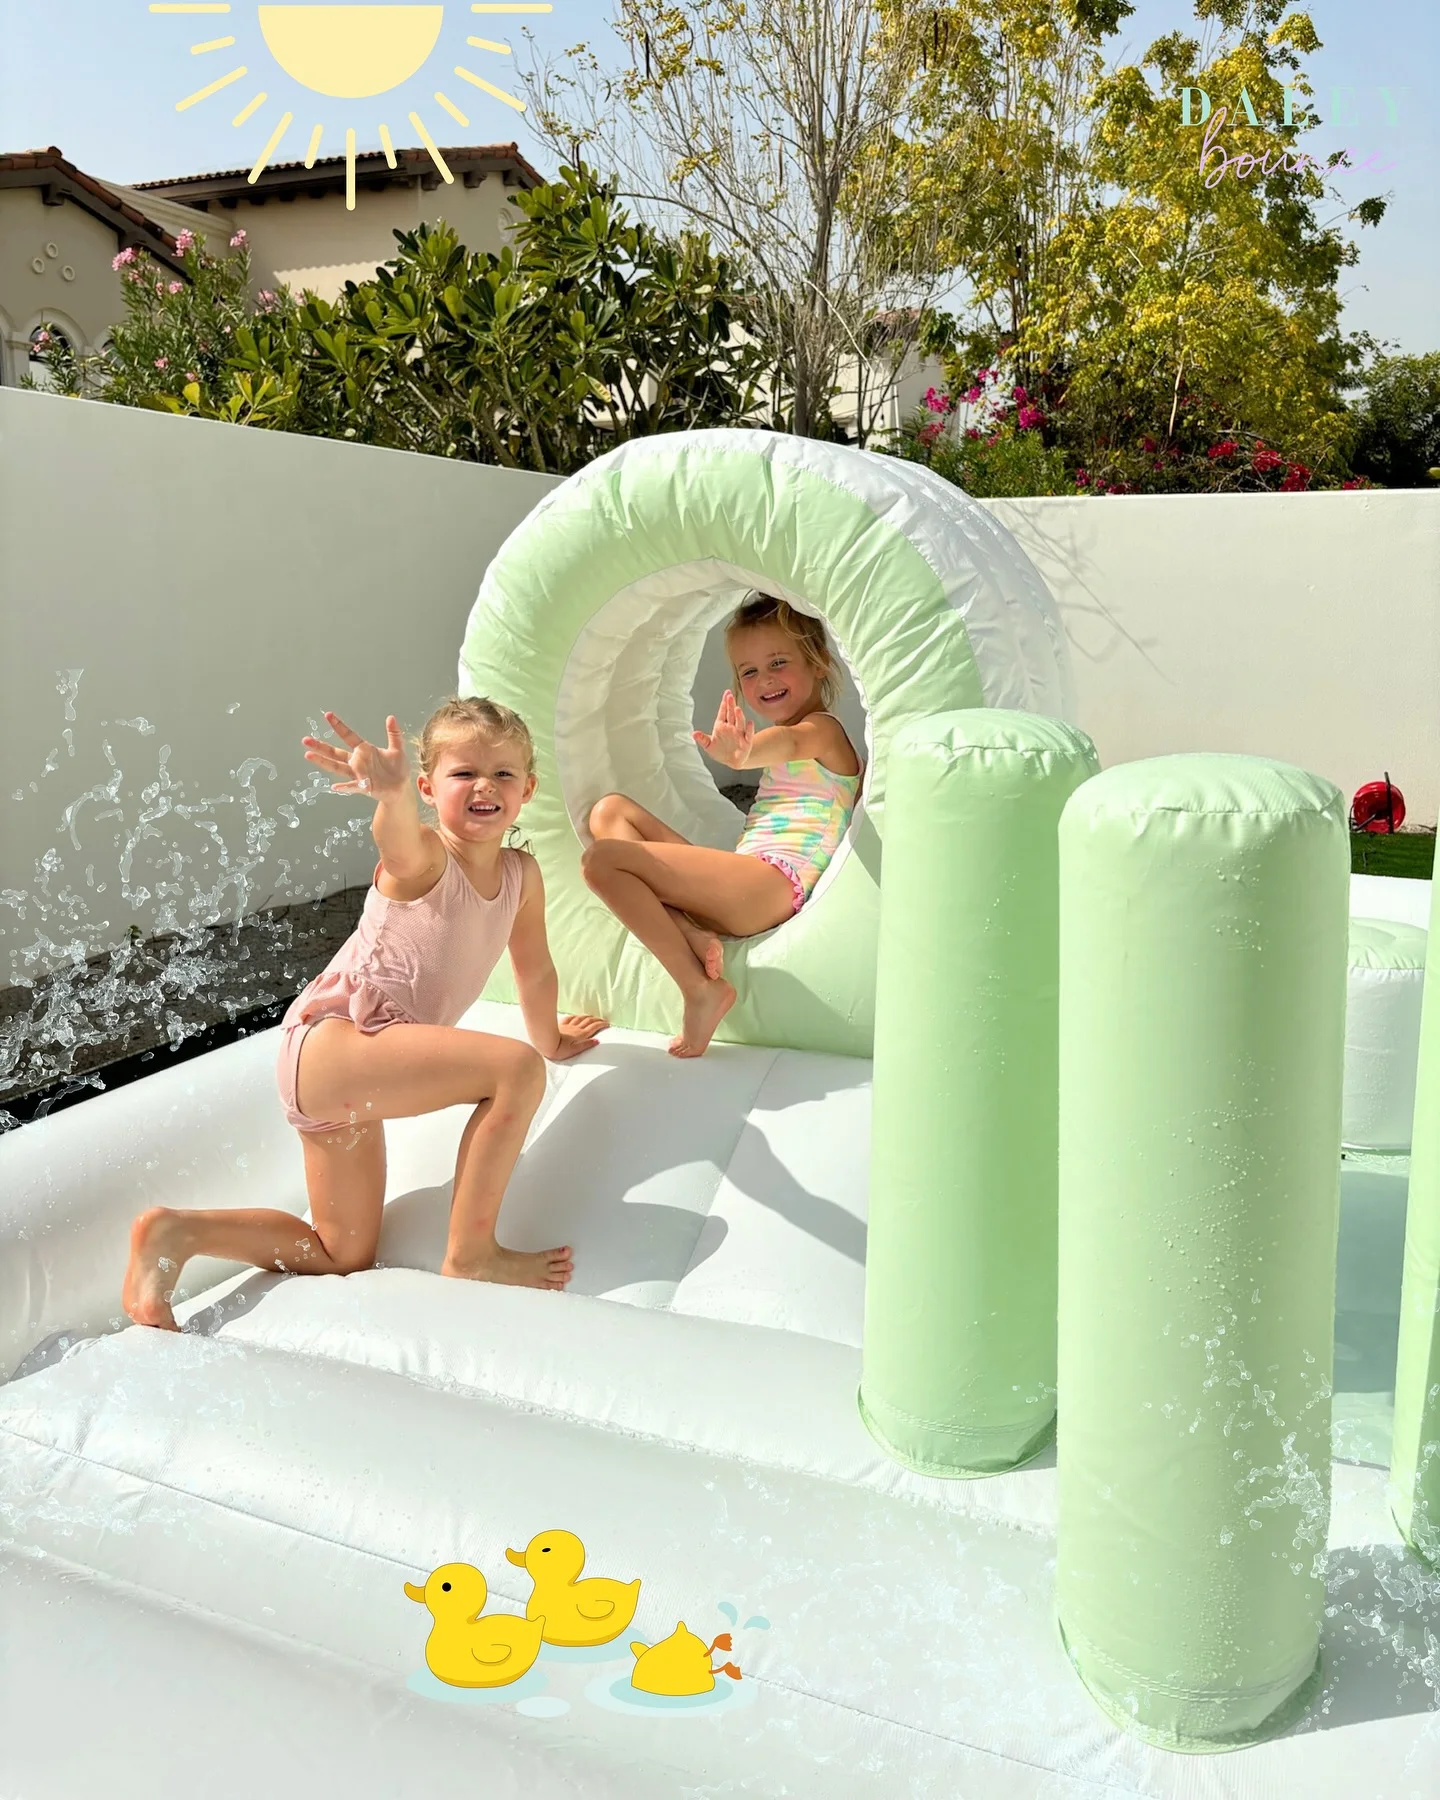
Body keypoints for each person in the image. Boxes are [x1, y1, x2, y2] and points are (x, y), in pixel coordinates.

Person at [122, 697, 607, 1330]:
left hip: (344, 1074)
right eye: (464, 774)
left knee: (340, 1253)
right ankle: (471, 1253)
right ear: (431, 788)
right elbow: (397, 842)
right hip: (338, 1042)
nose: (485, 786)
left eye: (503, 774)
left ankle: (175, 1234)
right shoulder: (429, 858)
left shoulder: (521, 875)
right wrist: (392, 798)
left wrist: (552, 1038)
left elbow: (535, 969)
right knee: (513, 1071)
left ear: (528, 789)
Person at [583, 593, 861, 1058]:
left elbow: (791, 742)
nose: (764, 679)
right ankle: (690, 933)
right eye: (749, 671)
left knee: (602, 862)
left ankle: (699, 988)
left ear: (818, 665)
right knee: (610, 813)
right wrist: (745, 753)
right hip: (745, 874)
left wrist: (743, 754)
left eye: (778, 662)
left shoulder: (823, 731)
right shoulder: (792, 735)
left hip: (774, 887)